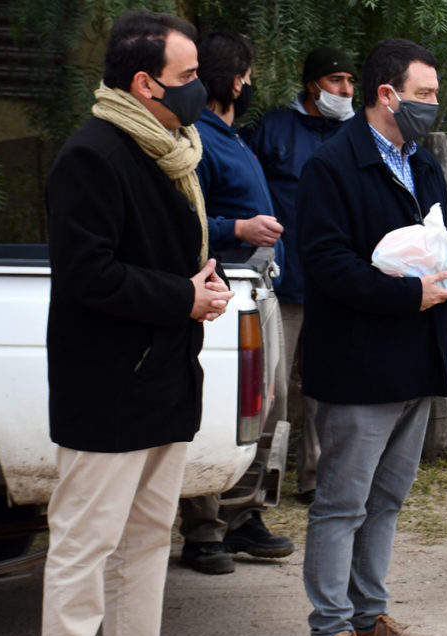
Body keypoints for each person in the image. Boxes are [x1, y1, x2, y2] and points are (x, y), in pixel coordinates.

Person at [41, 9, 234, 636]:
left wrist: (205, 283)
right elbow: (87, 274)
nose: (202, 86)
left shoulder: (171, 152)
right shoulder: (93, 155)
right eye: (190, 74)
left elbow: (163, 250)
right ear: (146, 84)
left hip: (163, 381)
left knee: (147, 541)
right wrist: (183, 296)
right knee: (84, 547)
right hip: (107, 391)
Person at [298, 37, 447, 636]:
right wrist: (408, 294)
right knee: (341, 505)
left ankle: (368, 615)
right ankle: (330, 626)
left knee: (387, 502)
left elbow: (436, 245)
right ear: (387, 95)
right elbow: (326, 263)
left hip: (415, 361)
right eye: (424, 94)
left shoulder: (423, 164)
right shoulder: (332, 165)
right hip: (358, 364)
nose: (434, 104)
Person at [176, 31, 295, 575]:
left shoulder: (233, 136)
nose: (251, 85)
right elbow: (188, 222)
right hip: (219, 295)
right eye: (246, 74)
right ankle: (203, 530)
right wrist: (239, 226)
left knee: (268, 407)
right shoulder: (197, 138)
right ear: (231, 79)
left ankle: (245, 515)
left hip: (258, 289)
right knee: (220, 412)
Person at [243, 46, 358, 504]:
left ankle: (316, 480)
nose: (345, 91)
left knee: (327, 389)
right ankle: (254, 487)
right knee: (270, 390)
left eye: (351, 82)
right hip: (283, 282)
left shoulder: (357, 134)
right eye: (336, 82)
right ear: (312, 85)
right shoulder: (272, 128)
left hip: (337, 285)